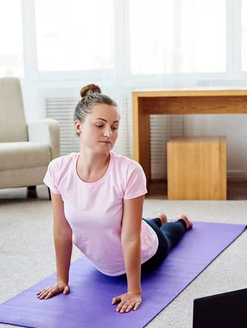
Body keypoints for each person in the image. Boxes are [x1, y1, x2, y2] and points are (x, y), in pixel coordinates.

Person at [36, 84, 193, 313]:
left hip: (146, 254)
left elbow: (130, 237)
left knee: (166, 238)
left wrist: (134, 290)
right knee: (132, 222)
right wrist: (62, 279)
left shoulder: (130, 171)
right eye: (100, 125)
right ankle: (155, 219)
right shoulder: (58, 169)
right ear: (78, 126)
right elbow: (62, 230)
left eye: (114, 127)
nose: (109, 133)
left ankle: (179, 222)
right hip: (111, 247)